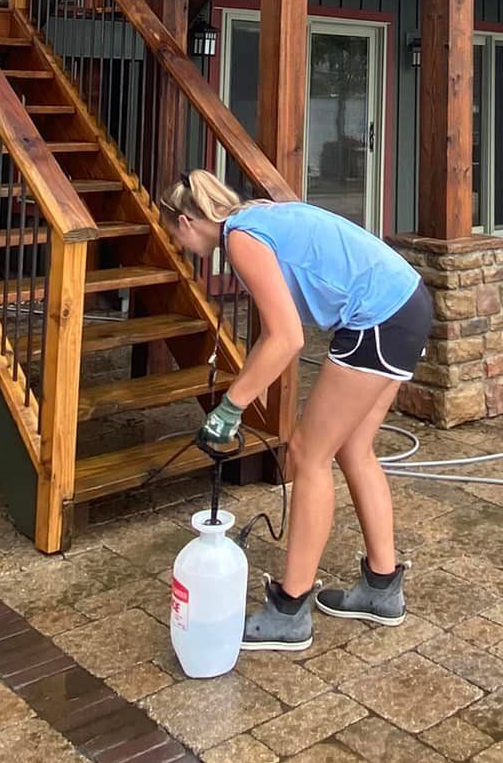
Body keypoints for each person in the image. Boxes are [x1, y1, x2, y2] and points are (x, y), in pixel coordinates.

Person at [158, 168, 433, 651]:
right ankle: (381, 588)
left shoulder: (240, 239)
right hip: (407, 302)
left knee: (307, 454)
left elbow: (288, 338)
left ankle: (290, 610)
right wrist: (238, 398)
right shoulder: (257, 218)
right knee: (353, 449)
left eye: (175, 237)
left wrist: (228, 409)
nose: (181, 247)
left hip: (378, 317)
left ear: (185, 221)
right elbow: (275, 332)